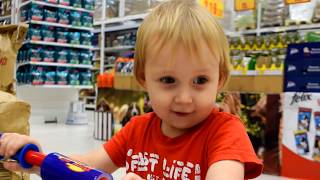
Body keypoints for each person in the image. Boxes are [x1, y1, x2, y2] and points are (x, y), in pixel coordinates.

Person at [0, 0, 263, 179]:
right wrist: (38, 159)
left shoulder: (224, 134)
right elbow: (87, 164)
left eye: (200, 81)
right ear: (143, 79)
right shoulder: (138, 130)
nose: (184, 99)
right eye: (169, 80)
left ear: (220, 80)